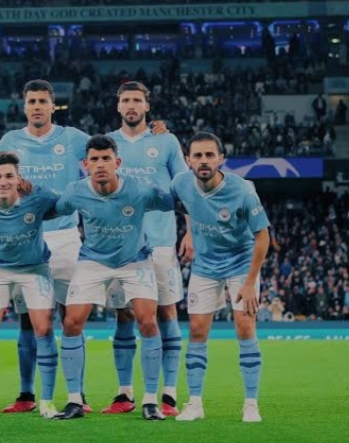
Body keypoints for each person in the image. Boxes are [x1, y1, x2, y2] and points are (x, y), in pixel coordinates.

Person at [52, 135, 176, 421]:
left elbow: (176, 202)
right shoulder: (75, 191)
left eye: (106, 158)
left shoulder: (140, 190)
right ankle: (74, 400)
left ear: (117, 162)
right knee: (71, 322)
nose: (100, 164)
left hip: (135, 261)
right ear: (85, 165)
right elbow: (51, 209)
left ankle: (150, 401)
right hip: (93, 261)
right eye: (94, 159)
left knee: (147, 321)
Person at [0, 79, 91, 413]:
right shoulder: (10, 141)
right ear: (24, 106)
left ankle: (78, 394)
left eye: (42, 101)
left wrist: (151, 131)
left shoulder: (72, 138)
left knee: (71, 317)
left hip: (65, 237)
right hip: (26, 239)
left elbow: (109, 150)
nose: (36, 107)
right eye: (31, 101)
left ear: (52, 106)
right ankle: (26, 394)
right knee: (27, 320)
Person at [105, 81, 192, 416]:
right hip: (120, 247)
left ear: (147, 106)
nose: (131, 105)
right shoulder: (107, 143)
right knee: (124, 314)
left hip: (160, 243)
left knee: (167, 313)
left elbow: (185, 188)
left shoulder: (166, 141)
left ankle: (168, 394)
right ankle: (124, 393)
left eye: (137, 100)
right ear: (118, 106)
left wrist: (191, 232)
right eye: (125, 100)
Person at [170, 132, 270, 423]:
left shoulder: (243, 191)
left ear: (221, 159)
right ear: (188, 160)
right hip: (205, 264)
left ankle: (250, 403)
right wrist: (189, 232)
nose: (204, 161)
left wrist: (250, 282)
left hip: (241, 263)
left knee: (245, 327)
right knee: (197, 331)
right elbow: (180, 204)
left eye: (209, 155)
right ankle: (195, 403)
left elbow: (263, 237)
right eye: (198, 156)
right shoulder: (180, 183)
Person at [0, 152, 60, 419]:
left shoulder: (38, 196)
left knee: (43, 329)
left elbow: (63, 203)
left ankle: (47, 402)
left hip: (34, 269)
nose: (3, 181)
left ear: (19, 179)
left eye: (9, 176)